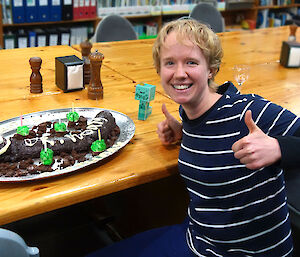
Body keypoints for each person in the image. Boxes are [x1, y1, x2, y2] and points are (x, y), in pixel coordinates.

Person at [86, 19, 300, 257]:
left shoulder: (249, 112)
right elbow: (213, 136)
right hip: (198, 239)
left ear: (211, 69)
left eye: (191, 62)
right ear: (159, 69)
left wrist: (278, 148)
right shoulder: (188, 113)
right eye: (169, 63)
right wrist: (183, 132)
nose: (179, 73)